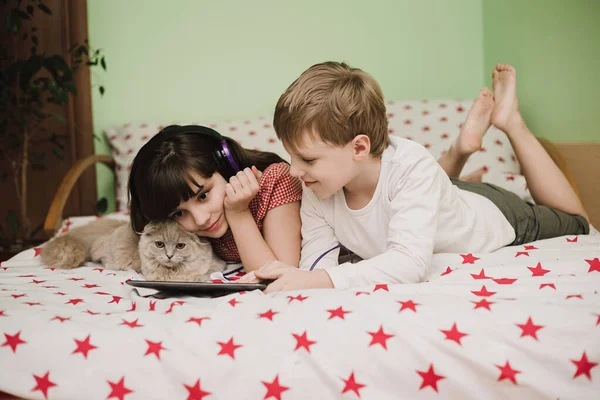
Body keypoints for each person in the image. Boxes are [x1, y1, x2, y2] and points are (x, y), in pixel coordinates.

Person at [244, 62, 589, 293]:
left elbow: (410, 264)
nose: (293, 170)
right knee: (428, 185)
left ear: (359, 148)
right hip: (431, 199)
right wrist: (296, 281)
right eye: (290, 156)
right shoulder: (318, 186)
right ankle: (461, 149)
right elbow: (316, 262)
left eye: (306, 158)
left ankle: (510, 120)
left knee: (579, 222)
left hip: (495, 213)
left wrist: (316, 280)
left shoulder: (411, 164)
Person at [128, 125, 303, 272]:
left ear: (227, 167)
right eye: (179, 213)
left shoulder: (276, 180)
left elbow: (280, 273)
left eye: (203, 196)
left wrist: (238, 213)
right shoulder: (186, 227)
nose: (201, 219)